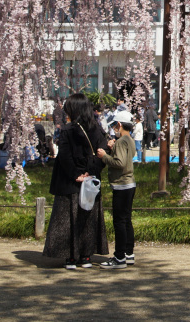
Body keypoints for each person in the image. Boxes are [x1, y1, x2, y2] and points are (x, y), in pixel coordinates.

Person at [43, 92, 108, 270]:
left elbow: (63, 155)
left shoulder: (68, 130)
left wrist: (75, 174)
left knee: (68, 217)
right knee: (88, 217)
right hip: (90, 181)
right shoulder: (97, 129)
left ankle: (70, 256)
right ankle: (86, 256)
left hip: (70, 181)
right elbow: (102, 153)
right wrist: (91, 171)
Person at [96, 120, 136, 269]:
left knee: (119, 221)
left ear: (119, 125)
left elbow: (119, 163)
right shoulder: (129, 140)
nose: (114, 129)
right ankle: (128, 253)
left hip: (121, 184)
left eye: (114, 126)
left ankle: (119, 257)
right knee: (126, 220)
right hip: (130, 183)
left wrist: (104, 156)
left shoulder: (120, 141)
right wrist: (113, 149)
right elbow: (126, 157)